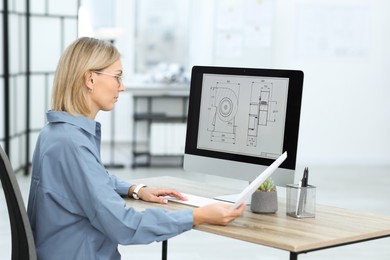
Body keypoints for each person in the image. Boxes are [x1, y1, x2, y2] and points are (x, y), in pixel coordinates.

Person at [27, 37, 245, 260]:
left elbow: (94, 180)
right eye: (117, 77)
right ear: (90, 79)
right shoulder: (71, 143)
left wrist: (136, 189)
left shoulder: (57, 132)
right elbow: (124, 225)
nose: (122, 87)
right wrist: (197, 216)